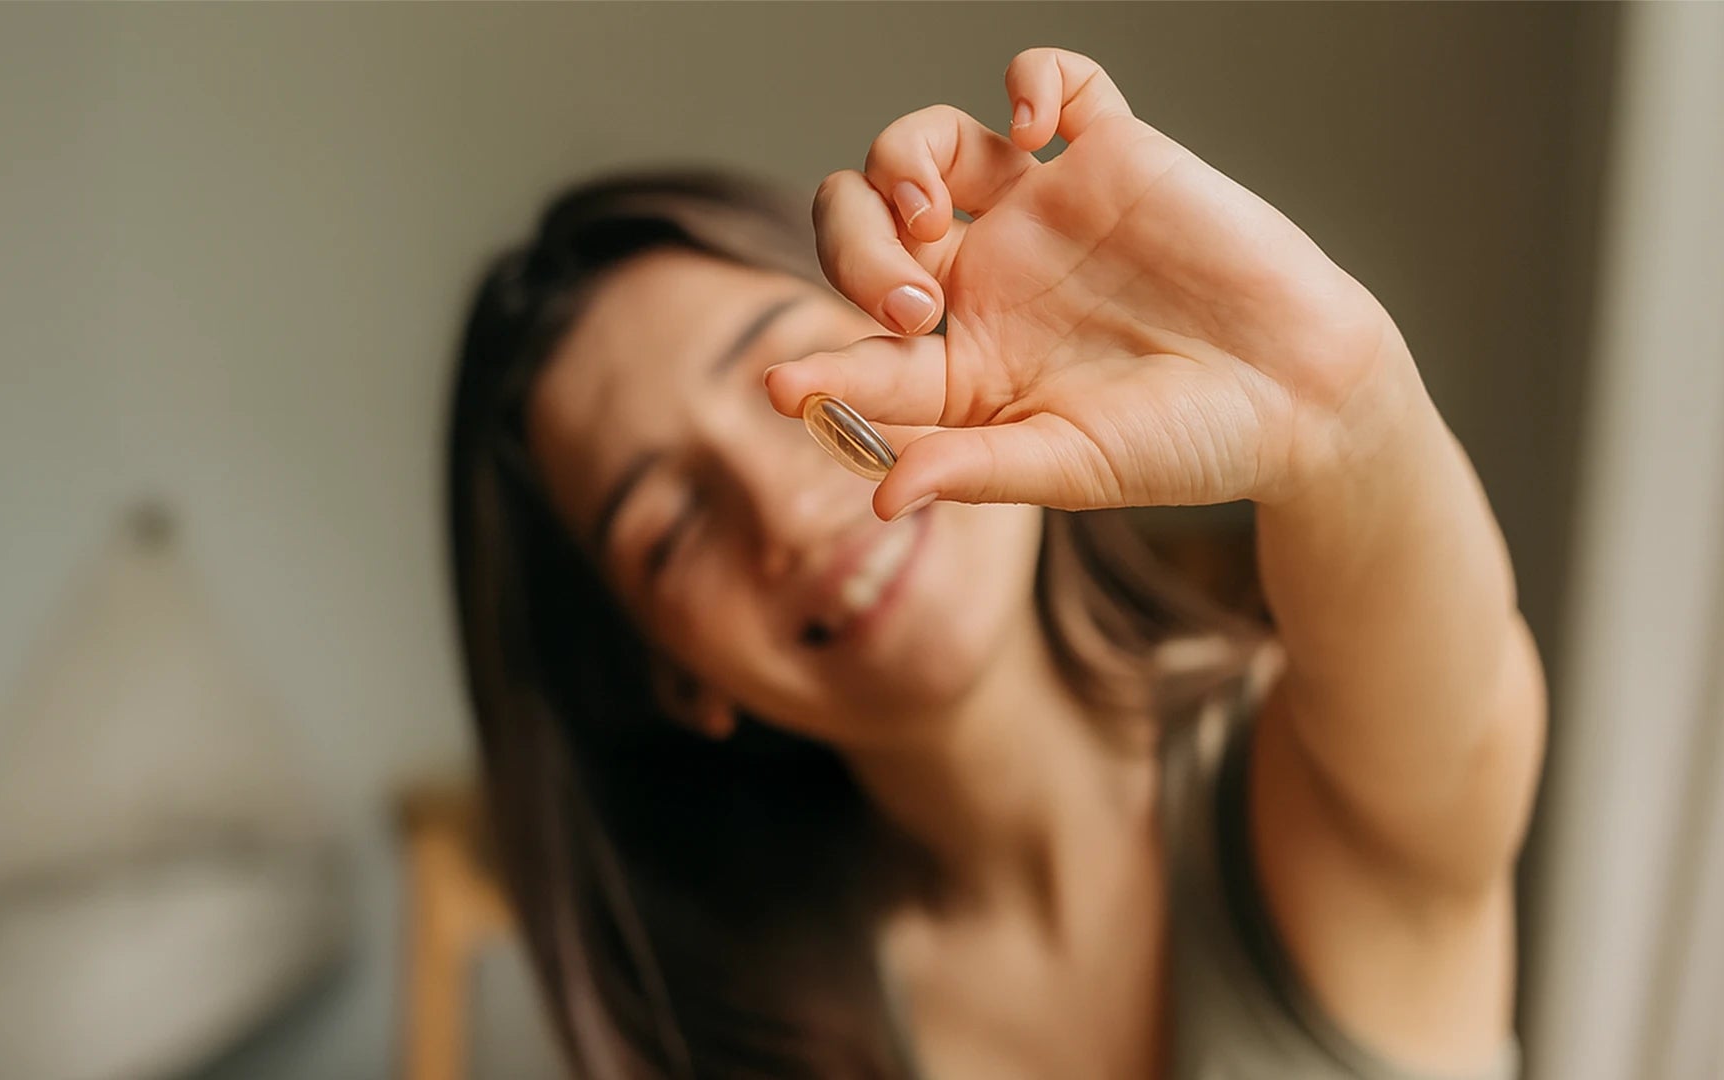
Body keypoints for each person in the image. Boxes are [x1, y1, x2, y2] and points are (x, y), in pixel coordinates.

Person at [446, 47, 1543, 1080]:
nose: (783, 510)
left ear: (921, 320)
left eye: (789, 377)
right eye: (672, 532)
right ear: (674, 676)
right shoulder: (737, 1033)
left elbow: (1451, 675)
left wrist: (1328, 396)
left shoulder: (1320, 774)